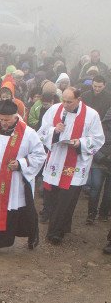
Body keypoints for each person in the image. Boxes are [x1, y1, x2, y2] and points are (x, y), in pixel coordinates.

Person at [0, 100, 46, 253]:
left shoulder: (28, 133)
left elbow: (40, 155)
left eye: (7, 120)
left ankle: (32, 235)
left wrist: (21, 164)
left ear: (16, 117)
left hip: (15, 183)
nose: (3, 123)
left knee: (21, 212)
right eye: (1, 119)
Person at [38, 87, 105, 243]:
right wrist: (54, 131)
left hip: (75, 163)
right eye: (64, 100)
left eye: (69, 102)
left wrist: (80, 142)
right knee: (53, 197)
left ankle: (54, 233)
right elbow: (41, 132)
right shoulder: (55, 109)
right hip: (55, 160)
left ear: (78, 100)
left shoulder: (91, 115)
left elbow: (98, 139)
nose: (65, 104)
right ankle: (62, 226)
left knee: (67, 199)